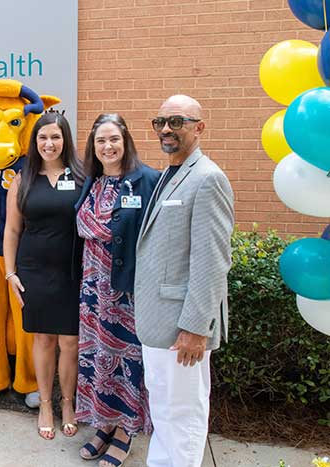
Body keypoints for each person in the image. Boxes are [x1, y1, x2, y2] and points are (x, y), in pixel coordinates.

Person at [134, 95, 234, 467]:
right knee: (162, 406)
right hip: (160, 322)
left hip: (183, 329)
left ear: (199, 127)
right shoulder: (170, 174)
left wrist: (195, 328)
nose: (166, 130)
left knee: (185, 413)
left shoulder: (208, 178)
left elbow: (212, 261)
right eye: (159, 122)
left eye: (176, 122)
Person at [74, 114, 159, 466]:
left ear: (126, 142)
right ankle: (103, 424)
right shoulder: (90, 181)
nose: (107, 147)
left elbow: (156, 238)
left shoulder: (146, 181)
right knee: (96, 358)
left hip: (127, 292)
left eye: (114, 140)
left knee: (126, 361)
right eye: (100, 141)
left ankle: (125, 430)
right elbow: (82, 224)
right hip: (93, 289)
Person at [4, 112, 84, 440]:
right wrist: (10, 273)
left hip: (72, 271)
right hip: (34, 271)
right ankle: (46, 405)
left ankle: (68, 403)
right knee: (43, 338)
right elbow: (11, 229)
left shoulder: (82, 177)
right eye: (42, 138)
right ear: (34, 142)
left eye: (55, 137)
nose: (48, 144)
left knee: (70, 341)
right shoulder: (22, 180)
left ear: (65, 140)